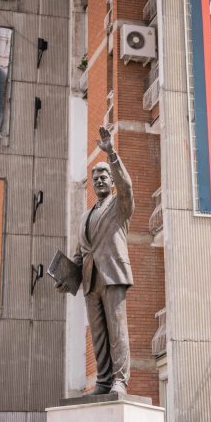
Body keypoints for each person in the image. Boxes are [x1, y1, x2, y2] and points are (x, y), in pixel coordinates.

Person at [57, 125, 134, 397]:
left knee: (117, 331)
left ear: (112, 182)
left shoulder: (119, 205)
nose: (100, 180)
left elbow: (128, 187)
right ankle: (102, 381)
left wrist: (111, 152)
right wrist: (67, 275)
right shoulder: (84, 216)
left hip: (113, 275)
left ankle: (119, 381)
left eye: (104, 176)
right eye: (96, 177)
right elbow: (81, 254)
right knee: (99, 336)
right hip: (91, 281)